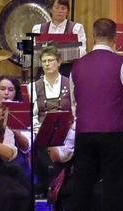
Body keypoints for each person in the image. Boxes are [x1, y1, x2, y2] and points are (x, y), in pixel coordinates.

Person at [69, 18, 123, 210]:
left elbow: (75, 103)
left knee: (83, 186)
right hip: (112, 133)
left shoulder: (78, 65)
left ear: (93, 36)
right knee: (113, 187)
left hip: (84, 133)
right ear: (115, 38)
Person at [25, 46, 76, 199]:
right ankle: (44, 184)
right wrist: (38, 127)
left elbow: (75, 109)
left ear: (59, 62)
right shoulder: (33, 87)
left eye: (50, 60)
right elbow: (31, 114)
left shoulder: (70, 84)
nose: (47, 64)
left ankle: (64, 181)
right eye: (44, 61)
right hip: (42, 130)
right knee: (36, 141)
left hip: (66, 130)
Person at [0, 92, 31, 210]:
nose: (0, 111)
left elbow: (9, 155)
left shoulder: (4, 131)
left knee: (5, 196)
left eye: (1, 107)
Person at [32, 0, 87, 77]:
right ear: (51, 9)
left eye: (63, 8)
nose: (60, 11)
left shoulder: (76, 28)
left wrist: (58, 54)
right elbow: (32, 51)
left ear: (68, 11)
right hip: (45, 69)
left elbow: (82, 51)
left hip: (67, 70)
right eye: (57, 7)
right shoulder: (38, 28)